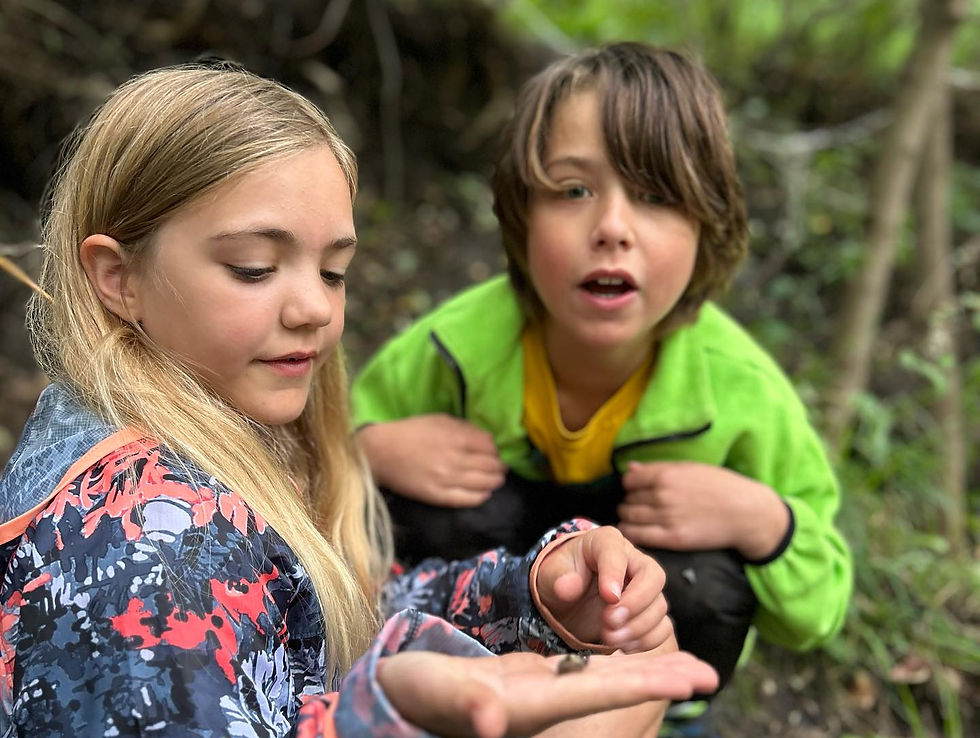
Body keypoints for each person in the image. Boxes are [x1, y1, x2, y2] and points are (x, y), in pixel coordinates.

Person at [0, 62, 720, 737]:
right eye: (254, 268)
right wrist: (393, 714)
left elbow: (333, 612)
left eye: (334, 271)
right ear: (118, 278)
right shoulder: (147, 552)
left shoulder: (209, 434)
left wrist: (534, 594)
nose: (316, 308)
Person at [352, 41, 854, 734]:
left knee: (700, 577)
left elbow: (818, 612)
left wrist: (764, 521)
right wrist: (369, 449)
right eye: (573, 191)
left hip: (650, 682)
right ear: (521, 214)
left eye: (655, 195)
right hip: (466, 671)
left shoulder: (743, 394)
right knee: (432, 510)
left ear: (707, 224)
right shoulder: (453, 350)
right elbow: (305, 476)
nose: (612, 228)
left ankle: (671, 718)